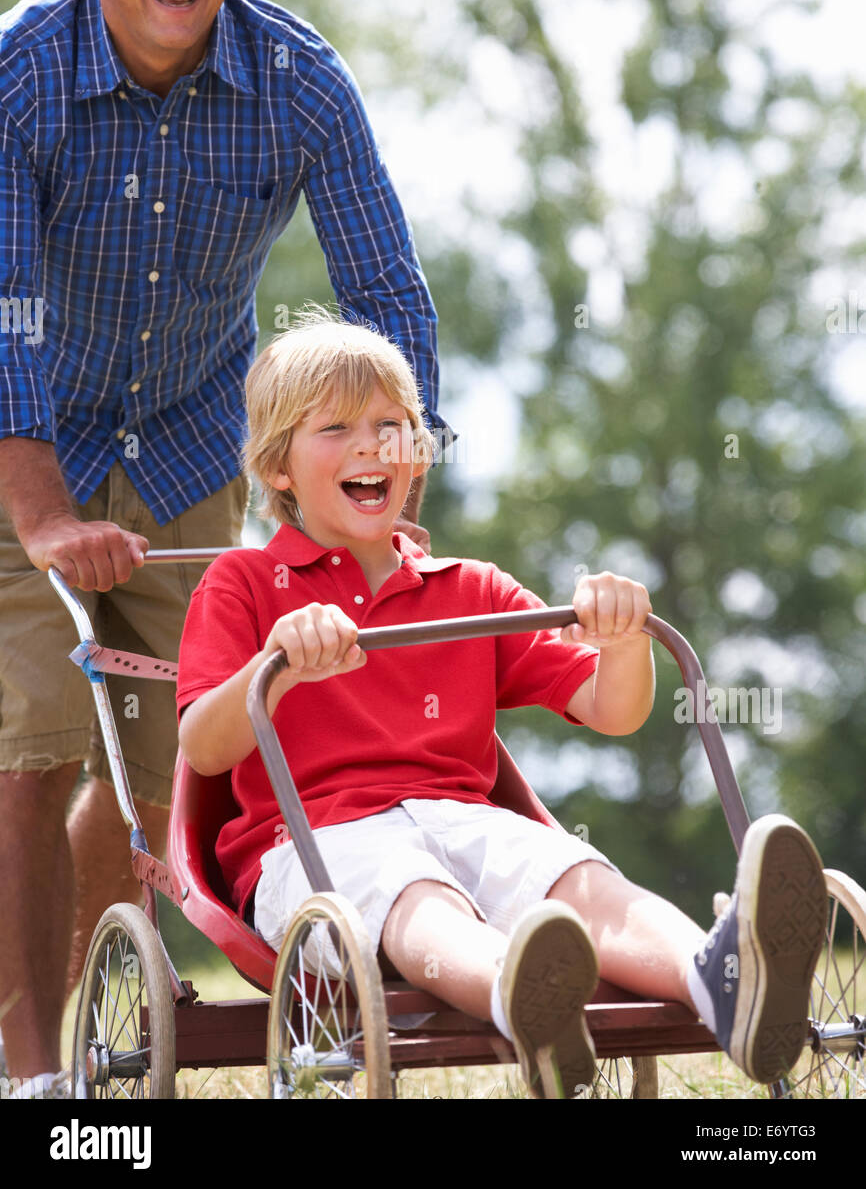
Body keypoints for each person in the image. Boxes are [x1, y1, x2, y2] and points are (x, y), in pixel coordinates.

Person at [0, 0, 450, 1096]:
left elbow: (385, 294)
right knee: (30, 735)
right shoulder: (19, 77)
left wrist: (393, 479)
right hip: (19, 439)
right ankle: (34, 1080)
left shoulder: (299, 80)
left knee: (159, 769)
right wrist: (41, 523)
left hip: (189, 436)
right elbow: (4, 323)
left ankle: (73, 1018)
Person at [176, 311, 828, 1098]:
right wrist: (275, 665)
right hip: (316, 840)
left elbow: (611, 711)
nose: (372, 445)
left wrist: (621, 639)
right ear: (278, 469)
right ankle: (522, 999)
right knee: (415, 897)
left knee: (576, 880)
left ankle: (724, 980)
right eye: (337, 427)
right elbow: (205, 751)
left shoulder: (469, 589)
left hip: (464, 817)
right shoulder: (243, 586)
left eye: (393, 425)